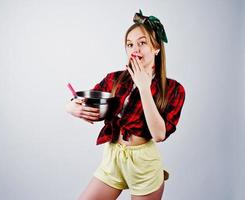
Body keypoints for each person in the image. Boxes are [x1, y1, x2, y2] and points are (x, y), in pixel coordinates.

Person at [65, 9, 185, 200]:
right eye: (130, 44)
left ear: (156, 48)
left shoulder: (173, 89)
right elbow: (84, 101)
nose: (134, 49)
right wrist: (71, 107)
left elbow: (159, 134)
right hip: (113, 158)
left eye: (142, 43)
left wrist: (144, 88)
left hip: (144, 164)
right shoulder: (114, 79)